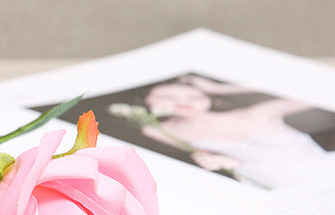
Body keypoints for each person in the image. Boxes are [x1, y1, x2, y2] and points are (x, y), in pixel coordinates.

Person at [137, 75, 328, 189]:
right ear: (146, 100)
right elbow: (208, 158)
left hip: (323, 176)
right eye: (166, 96)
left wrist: (222, 88)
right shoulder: (161, 130)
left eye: (194, 95)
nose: (183, 102)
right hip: (265, 186)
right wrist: (224, 162)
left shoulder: (260, 113)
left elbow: (318, 88)